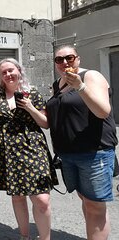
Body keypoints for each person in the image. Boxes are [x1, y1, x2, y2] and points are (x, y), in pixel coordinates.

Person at [46, 45, 118, 240]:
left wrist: (80, 87)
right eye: (59, 60)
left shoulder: (91, 76)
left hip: (94, 151)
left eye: (69, 58)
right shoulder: (57, 84)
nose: (64, 63)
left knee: (95, 205)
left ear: (78, 59)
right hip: (68, 154)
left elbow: (103, 111)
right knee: (86, 200)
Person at [0, 58, 57, 240]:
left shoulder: (31, 92)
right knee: (17, 197)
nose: (8, 74)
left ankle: (45, 237)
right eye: (4, 72)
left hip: (32, 148)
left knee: (42, 199)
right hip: (7, 150)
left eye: (11, 70)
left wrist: (30, 107)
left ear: (19, 71)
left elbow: (45, 124)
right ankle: (24, 236)